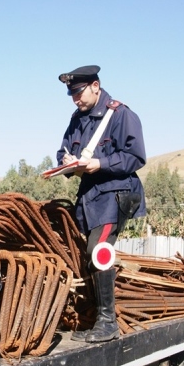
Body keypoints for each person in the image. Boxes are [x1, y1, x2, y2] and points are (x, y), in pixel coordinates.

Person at [55, 65, 146, 343]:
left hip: (116, 194)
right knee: (84, 253)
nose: (75, 99)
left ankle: (108, 323)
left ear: (96, 85)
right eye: (72, 95)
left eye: (79, 92)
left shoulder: (120, 115)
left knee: (98, 251)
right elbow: (63, 150)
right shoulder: (76, 119)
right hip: (91, 198)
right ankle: (96, 319)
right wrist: (66, 163)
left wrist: (99, 163)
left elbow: (136, 157)